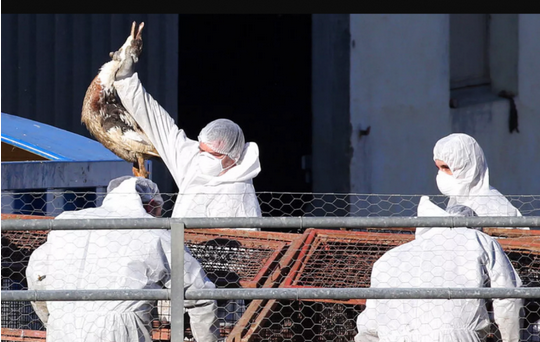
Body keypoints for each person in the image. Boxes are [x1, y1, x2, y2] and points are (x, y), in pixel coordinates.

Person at [26, 176, 219, 342]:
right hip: (120, 331)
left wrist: (54, 318)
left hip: (63, 329)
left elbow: (37, 275)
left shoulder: (69, 222)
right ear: (151, 205)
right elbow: (199, 294)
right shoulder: (154, 233)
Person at [112, 42, 262, 226]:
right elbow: (157, 122)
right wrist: (125, 78)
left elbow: (244, 246)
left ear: (233, 157)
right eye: (201, 149)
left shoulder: (240, 193)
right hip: (177, 251)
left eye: (212, 154)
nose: (203, 157)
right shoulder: (192, 161)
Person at [355, 196, 523, 342]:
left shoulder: (387, 259)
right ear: (474, 225)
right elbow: (509, 298)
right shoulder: (478, 239)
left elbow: (369, 325)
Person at [432, 133, 527, 228]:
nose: (441, 173)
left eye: (446, 167)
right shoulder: (460, 198)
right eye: (438, 168)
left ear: (466, 167)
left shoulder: (492, 206)